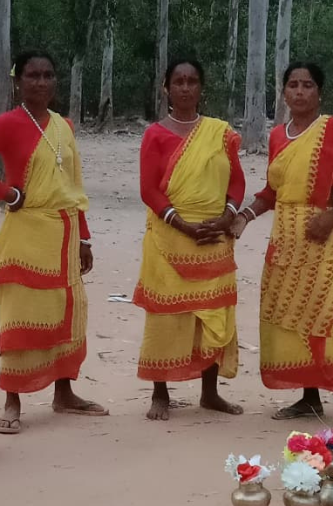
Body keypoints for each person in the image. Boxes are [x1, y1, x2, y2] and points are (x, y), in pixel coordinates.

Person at [231, 62, 333, 433]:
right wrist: (245, 216)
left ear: (320, 92)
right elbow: (272, 192)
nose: (300, 92)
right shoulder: (276, 136)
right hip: (287, 239)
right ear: (283, 92)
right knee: (294, 317)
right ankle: (309, 397)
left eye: (308, 85)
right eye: (293, 85)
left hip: (329, 238)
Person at [0, 51, 107, 435]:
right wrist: (5, 193)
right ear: (17, 82)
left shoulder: (65, 126)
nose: (40, 82)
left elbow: (73, 189)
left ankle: (65, 392)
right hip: (26, 235)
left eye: (47, 75)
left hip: (65, 232)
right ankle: (13, 399)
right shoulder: (7, 123)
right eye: (32, 76)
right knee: (22, 316)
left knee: (67, 313)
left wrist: (85, 238)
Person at [133, 58, 246, 421]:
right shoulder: (155, 134)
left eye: (192, 81)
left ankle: (210, 393)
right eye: (178, 81)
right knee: (166, 315)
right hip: (170, 238)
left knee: (212, 313)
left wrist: (228, 215)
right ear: (166, 87)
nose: (185, 87)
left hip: (213, 236)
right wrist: (180, 224)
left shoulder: (220, 133)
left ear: (201, 87)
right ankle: (160, 392)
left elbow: (236, 181)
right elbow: (149, 189)